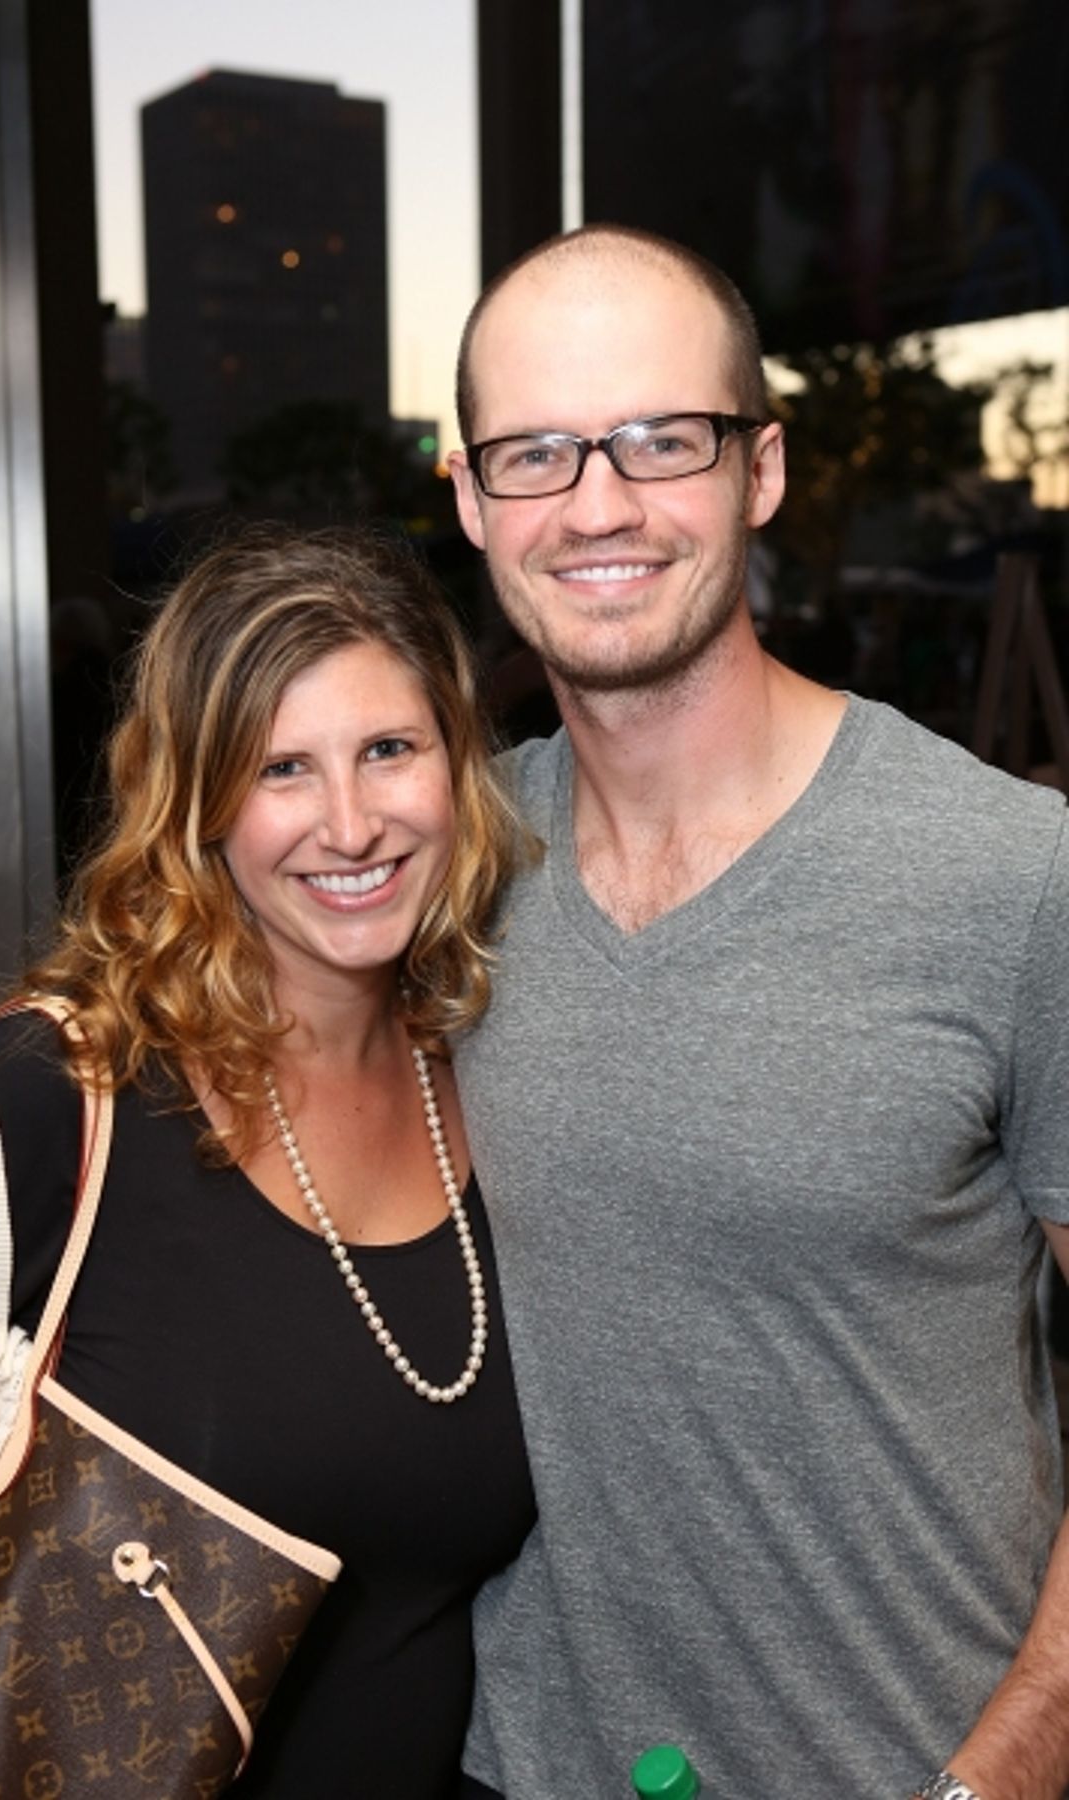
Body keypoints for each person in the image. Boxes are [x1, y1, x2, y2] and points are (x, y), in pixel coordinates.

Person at [445, 224, 1069, 1800]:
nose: (598, 504)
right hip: (532, 1769)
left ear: (762, 470)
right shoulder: (444, 871)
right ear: (469, 498)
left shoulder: (1014, 876)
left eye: (664, 439)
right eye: (537, 452)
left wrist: (1006, 1773)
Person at [0, 525, 536, 1798]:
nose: (350, 824)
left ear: (455, 764)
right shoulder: (49, 1098)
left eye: (388, 750)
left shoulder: (491, 1077)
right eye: (281, 768)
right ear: (199, 804)